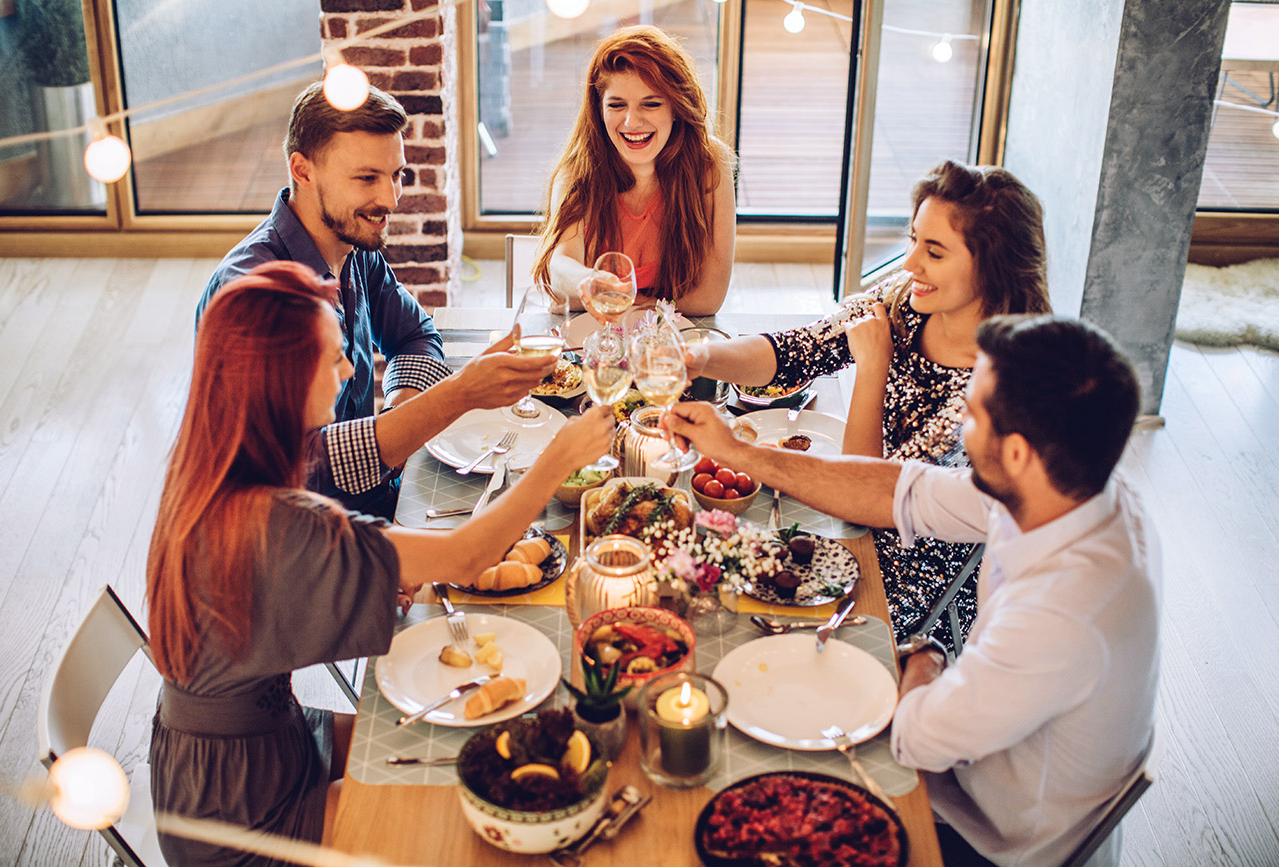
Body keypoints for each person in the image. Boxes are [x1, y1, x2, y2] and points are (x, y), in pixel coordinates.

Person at [148, 262, 615, 866]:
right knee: (460, 820)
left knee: (463, 744)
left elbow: (284, 594)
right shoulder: (273, 526)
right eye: (336, 358)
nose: (349, 372)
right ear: (282, 378)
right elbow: (468, 556)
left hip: (241, 753)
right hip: (239, 819)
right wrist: (558, 458)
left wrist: (365, 573)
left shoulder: (214, 463)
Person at [668, 314, 1160, 867]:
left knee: (731, 776)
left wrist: (927, 654)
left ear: (1018, 453)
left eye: (972, 413)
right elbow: (899, 490)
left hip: (985, 837)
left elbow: (916, 739)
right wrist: (740, 453)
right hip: (980, 762)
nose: (961, 426)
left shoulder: (1064, 614)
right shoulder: (1071, 486)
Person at [686, 160, 1052, 645]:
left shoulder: (992, 387)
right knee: (701, 563)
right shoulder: (908, 298)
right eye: (913, 239)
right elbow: (795, 351)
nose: (909, 264)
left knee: (732, 612)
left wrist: (872, 368)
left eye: (934, 252)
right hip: (845, 513)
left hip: (907, 576)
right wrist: (700, 355)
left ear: (993, 264)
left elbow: (868, 499)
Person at [198, 81, 553, 519]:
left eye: (397, 175)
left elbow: (414, 335)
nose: (390, 200)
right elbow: (300, 467)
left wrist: (403, 413)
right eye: (367, 177)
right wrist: (454, 397)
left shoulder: (351, 247)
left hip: (374, 501)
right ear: (303, 171)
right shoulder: (256, 295)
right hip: (296, 544)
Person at [532, 24, 736, 316]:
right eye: (616, 105)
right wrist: (589, 281)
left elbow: (708, 299)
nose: (631, 122)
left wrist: (622, 301)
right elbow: (560, 265)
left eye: (650, 104)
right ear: (599, 109)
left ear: (676, 108)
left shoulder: (711, 163)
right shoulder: (577, 171)